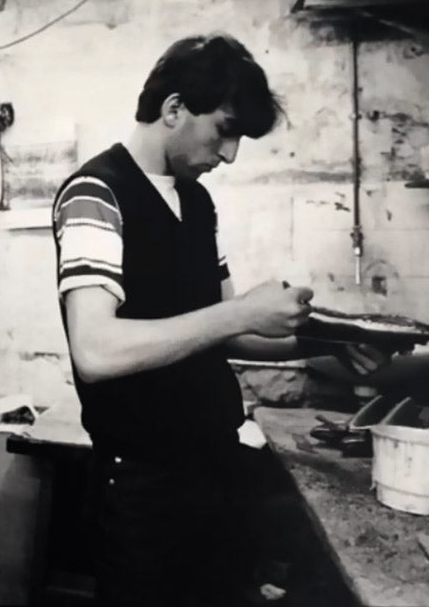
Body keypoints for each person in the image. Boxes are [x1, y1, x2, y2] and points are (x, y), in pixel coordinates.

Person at [51, 33, 396, 606]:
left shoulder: (197, 202)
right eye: (225, 130)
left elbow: (227, 333)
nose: (230, 154)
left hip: (211, 467)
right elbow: (95, 351)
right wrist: (241, 310)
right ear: (173, 109)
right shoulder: (96, 193)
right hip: (143, 488)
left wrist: (329, 342)